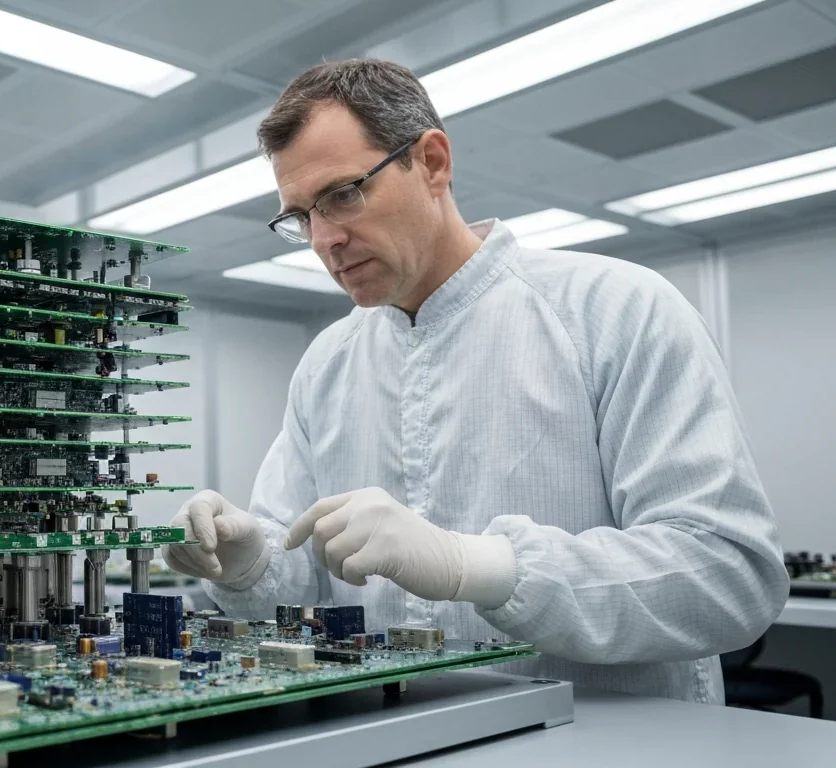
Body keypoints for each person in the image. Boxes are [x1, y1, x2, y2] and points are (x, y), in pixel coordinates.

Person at [161, 59, 786, 703]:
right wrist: (248, 562)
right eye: (300, 217)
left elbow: (728, 578)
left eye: (343, 194)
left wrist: (479, 566)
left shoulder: (615, 309)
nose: (325, 240)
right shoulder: (328, 362)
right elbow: (308, 575)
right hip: (396, 736)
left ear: (432, 162)